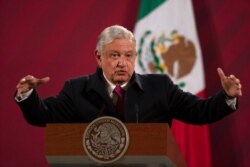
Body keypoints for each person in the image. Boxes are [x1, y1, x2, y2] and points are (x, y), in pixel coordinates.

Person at [15, 25, 242, 127]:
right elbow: (42, 116)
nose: (122, 62)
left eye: (128, 55)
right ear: (98, 56)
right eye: (114, 55)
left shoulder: (159, 87)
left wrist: (226, 97)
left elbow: (199, 112)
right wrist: (28, 95)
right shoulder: (76, 90)